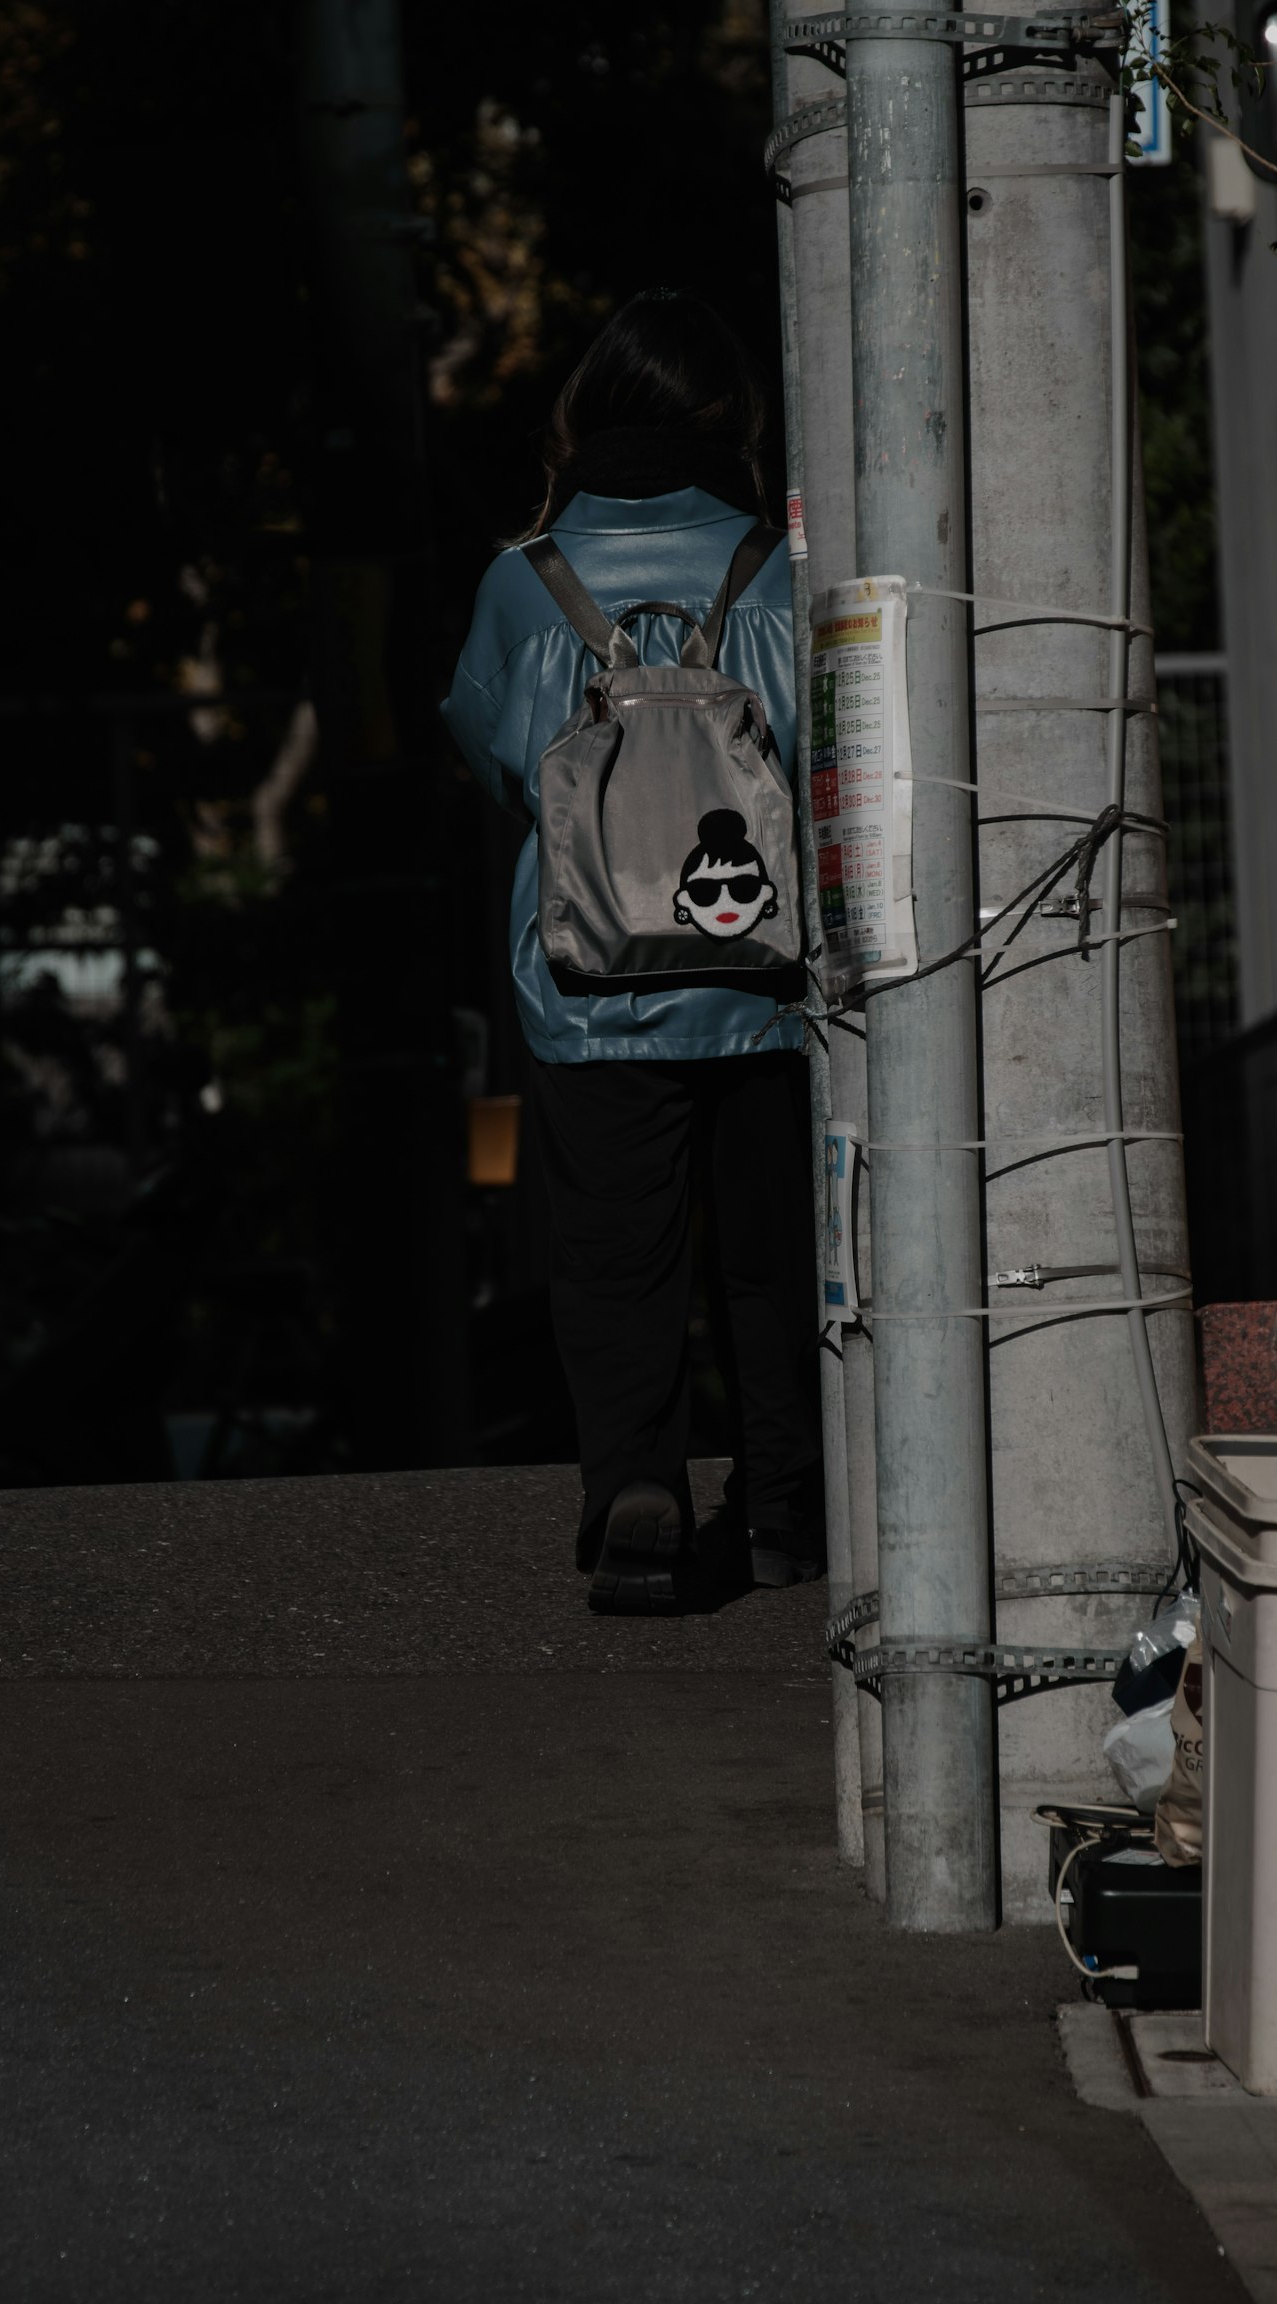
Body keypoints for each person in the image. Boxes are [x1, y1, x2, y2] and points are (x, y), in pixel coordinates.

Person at [442, 290, 822, 1614]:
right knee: (772, 1257)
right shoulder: (780, 571)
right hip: (767, 984)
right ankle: (784, 1511)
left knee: (614, 1256)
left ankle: (636, 1493)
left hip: (587, 985)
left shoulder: (522, 580)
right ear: (731, 420)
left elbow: (495, 755)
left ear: (589, 412)